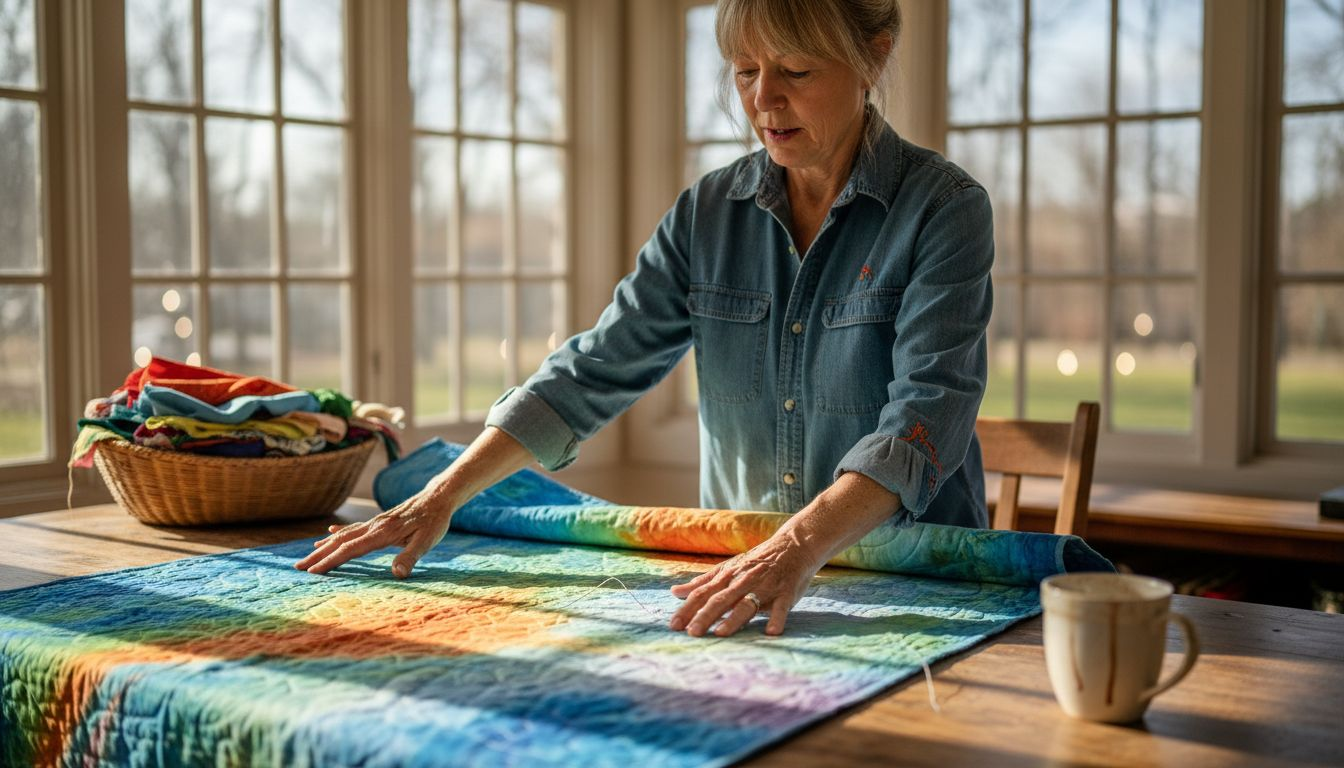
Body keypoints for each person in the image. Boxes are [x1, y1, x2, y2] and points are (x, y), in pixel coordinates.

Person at [297, 0, 993, 640]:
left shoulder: (945, 209)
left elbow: (923, 420)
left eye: (795, 70)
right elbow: (593, 368)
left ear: (875, 54)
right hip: (741, 584)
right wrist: (437, 498)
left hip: (917, 586)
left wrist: (794, 547)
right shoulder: (707, 215)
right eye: (745, 71)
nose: (762, 99)